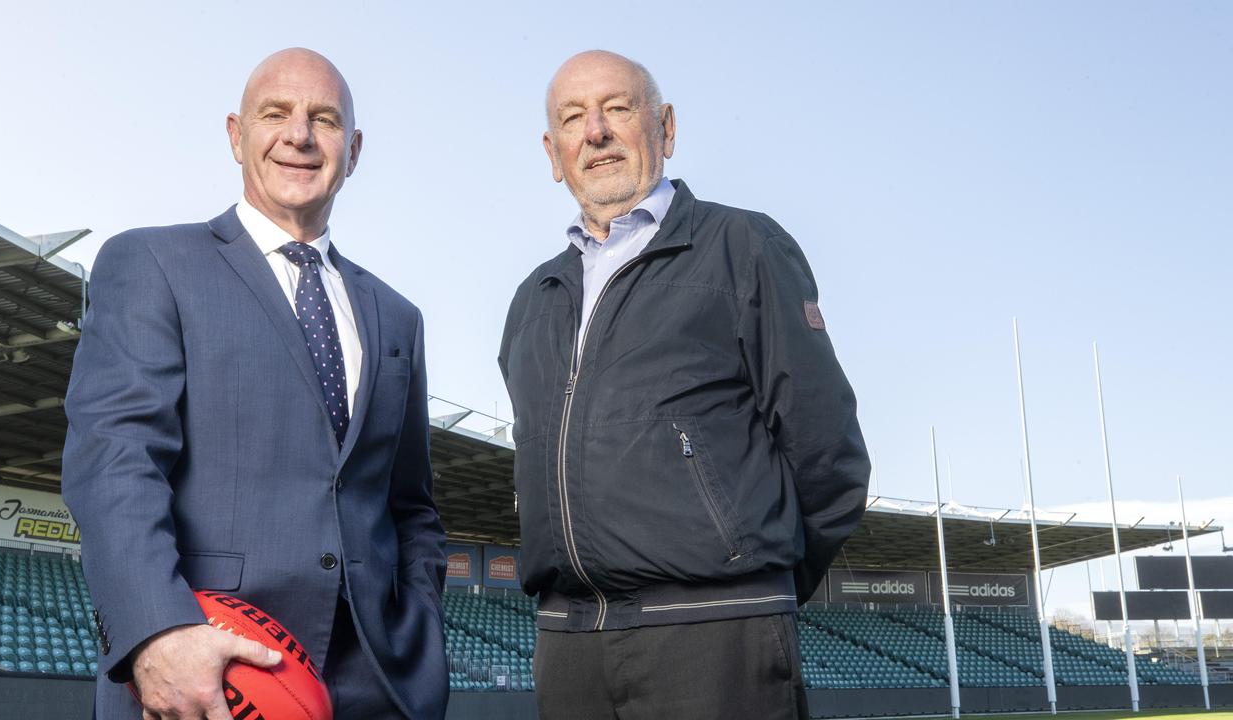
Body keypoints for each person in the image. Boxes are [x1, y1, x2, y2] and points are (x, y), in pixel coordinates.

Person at [63, 48, 447, 720]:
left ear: (352, 150)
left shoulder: (398, 318)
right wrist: (157, 634)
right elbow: (115, 463)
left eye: (323, 120)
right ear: (237, 135)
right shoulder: (152, 262)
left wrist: (419, 629)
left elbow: (410, 505)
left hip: (378, 688)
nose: (299, 135)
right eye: (276, 114)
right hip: (206, 678)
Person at [498, 50, 870, 719]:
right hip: (569, 645)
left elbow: (827, 454)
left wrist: (751, 587)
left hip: (715, 638)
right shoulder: (533, 298)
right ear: (553, 153)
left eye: (617, 108)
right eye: (573, 119)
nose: (597, 132)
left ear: (665, 127)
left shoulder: (742, 245)